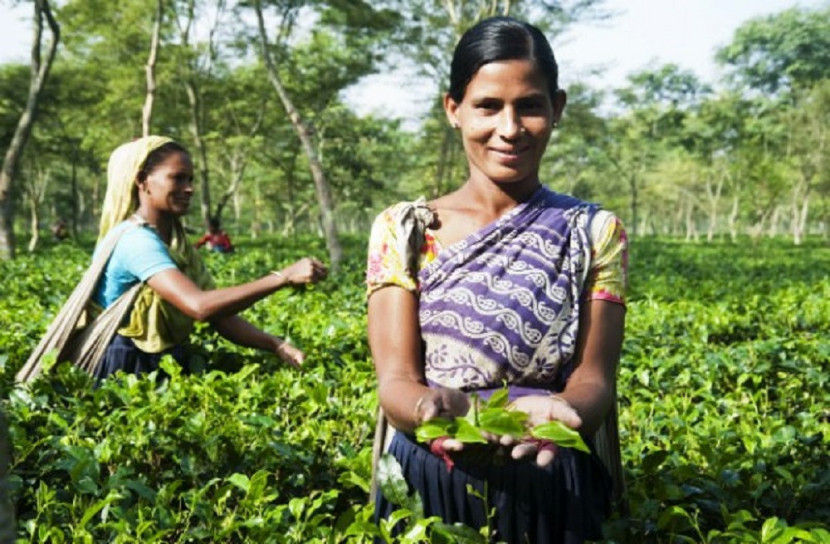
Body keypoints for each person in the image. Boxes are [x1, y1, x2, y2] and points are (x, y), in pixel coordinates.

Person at [366, 17, 627, 543]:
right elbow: (395, 380)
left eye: (530, 105)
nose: (509, 128)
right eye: (488, 106)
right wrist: (431, 409)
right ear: (453, 110)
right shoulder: (406, 230)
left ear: (557, 109)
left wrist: (562, 413)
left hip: (551, 480)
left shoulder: (595, 231)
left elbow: (595, 379)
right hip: (432, 475)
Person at [91, 136, 327, 381]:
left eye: (190, 179)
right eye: (177, 178)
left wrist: (274, 344)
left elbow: (219, 316)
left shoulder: (175, 243)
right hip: (124, 365)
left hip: (162, 360)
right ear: (142, 181)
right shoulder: (136, 241)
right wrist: (282, 277)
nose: (189, 188)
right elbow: (200, 306)